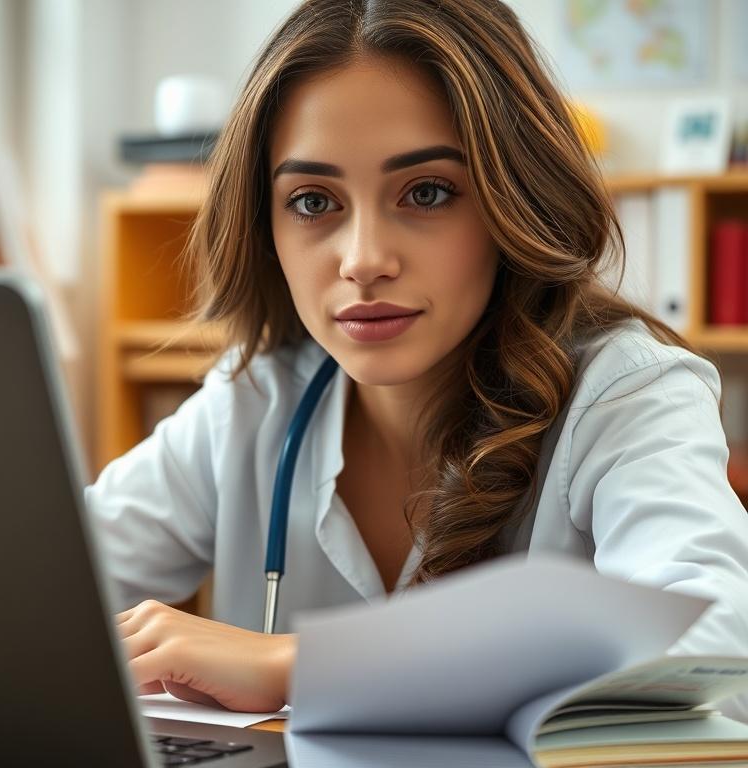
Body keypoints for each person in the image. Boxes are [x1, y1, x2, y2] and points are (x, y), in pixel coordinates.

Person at [87, 0, 748, 719]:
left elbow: (714, 657)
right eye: (313, 202)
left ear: (513, 200)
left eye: (426, 192)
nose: (365, 260)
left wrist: (306, 666)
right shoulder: (254, 404)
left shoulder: (627, 395)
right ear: (263, 225)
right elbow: (21, 589)